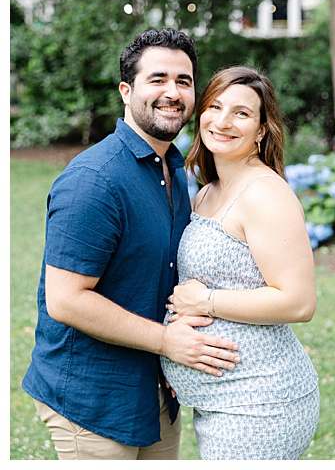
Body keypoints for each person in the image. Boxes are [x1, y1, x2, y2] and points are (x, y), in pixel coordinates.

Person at [23, 28, 242, 460]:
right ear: (127, 91)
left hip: (156, 389)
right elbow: (66, 301)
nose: (172, 92)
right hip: (94, 398)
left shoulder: (173, 169)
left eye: (183, 81)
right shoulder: (94, 180)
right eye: (157, 79)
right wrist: (167, 342)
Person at [159, 65, 319, 460]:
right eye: (215, 106)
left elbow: (298, 302)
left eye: (242, 113)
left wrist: (207, 302)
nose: (224, 121)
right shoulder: (208, 190)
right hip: (221, 401)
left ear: (262, 129)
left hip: (259, 404)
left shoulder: (265, 194)